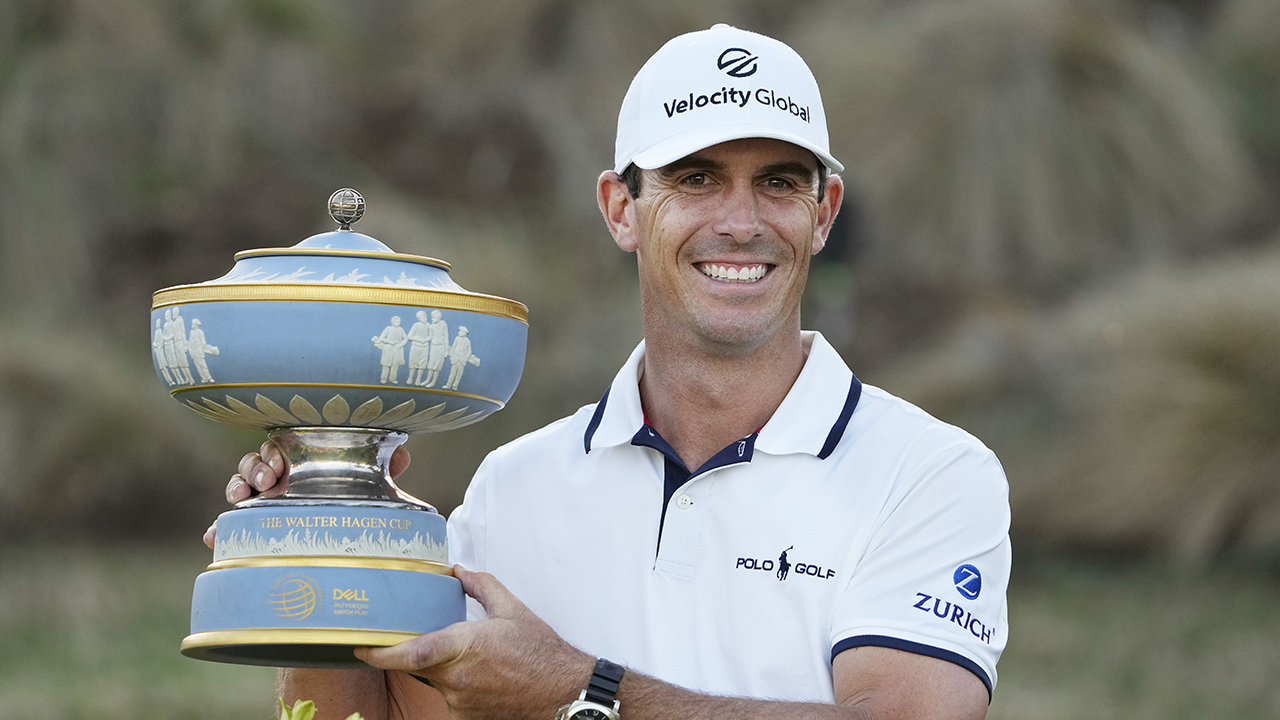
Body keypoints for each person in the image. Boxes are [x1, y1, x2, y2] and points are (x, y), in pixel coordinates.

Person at [219, 24, 1009, 720]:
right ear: (620, 208)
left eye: (778, 182)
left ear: (825, 211)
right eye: (696, 179)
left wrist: (582, 692)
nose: (741, 223)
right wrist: (327, 543)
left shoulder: (931, 474)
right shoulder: (512, 488)